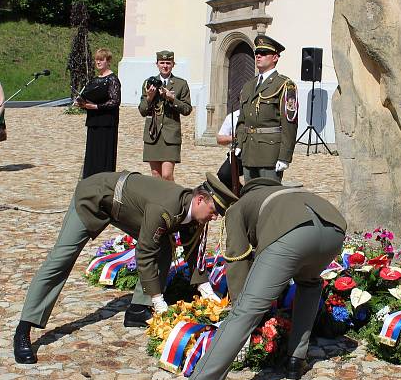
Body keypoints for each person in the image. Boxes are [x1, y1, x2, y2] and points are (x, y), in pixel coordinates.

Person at [145, 178, 347, 380]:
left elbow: (237, 260)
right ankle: (296, 360)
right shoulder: (288, 193)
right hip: (334, 231)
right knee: (309, 283)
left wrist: (242, 304)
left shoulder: (240, 206)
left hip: (291, 235)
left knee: (244, 312)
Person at [12, 172, 238, 364]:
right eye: (214, 210)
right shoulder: (165, 208)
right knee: (61, 259)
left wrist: (206, 289)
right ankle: (25, 328)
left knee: (163, 249)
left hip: (128, 209)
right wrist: (159, 300)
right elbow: (145, 252)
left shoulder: (192, 213)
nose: (215, 217)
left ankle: (138, 309)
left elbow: (193, 251)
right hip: (96, 198)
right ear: (199, 199)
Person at [235, 35, 299, 182]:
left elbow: (289, 124)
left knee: (269, 198)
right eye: (257, 53)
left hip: (270, 153)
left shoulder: (284, 85)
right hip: (248, 151)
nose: (258, 56)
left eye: (264, 53)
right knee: (250, 197)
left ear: (275, 57)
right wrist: (239, 143)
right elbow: (242, 120)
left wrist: (285, 156)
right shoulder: (248, 86)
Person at [138, 51, 192, 181]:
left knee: (167, 175)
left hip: (171, 135)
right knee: (156, 176)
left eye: (168, 63)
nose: (165, 66)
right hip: (153, 134)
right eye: (162, 63)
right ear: (157, 64)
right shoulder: (148, 82)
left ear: (173, 64)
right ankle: (158, 201)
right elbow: (142, 111)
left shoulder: (181, 84)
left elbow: (187, 109)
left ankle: (171, 200)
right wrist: (149, 98)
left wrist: (173, 99)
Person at [75, 48, 122, 178]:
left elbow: (115, 101)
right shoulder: (95, 80)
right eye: (96, 60)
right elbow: (88, 97)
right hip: (93, 122)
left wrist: (96, 106)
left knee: (103, 155)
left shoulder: (113, 79)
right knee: (92, 155)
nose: (98, 62)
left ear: (108, 61)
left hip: (107, 123)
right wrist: (82, 103)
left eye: (101, 59)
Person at [216, 108, 241, 190]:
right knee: (224, 174)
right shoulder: (233, 116)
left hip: (254, 153)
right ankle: (240, 194)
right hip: (238, 153)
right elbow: (220, 139)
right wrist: (234, 138)